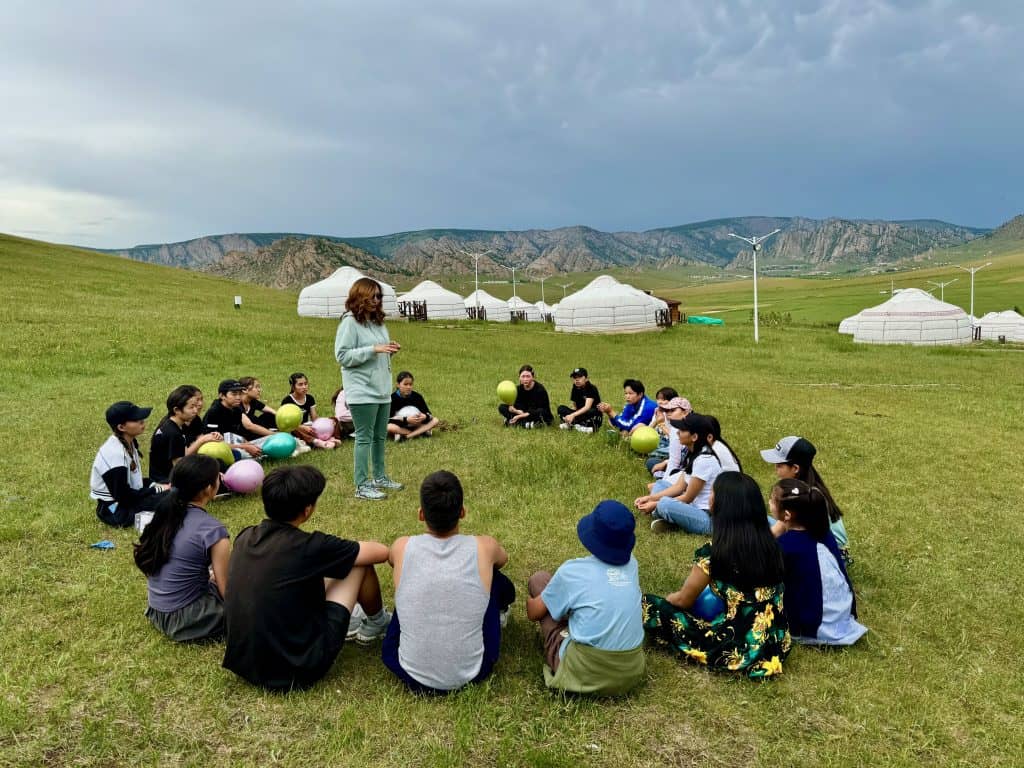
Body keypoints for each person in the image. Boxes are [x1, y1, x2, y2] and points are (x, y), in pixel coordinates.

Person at [222, 465, 392, 691]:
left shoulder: (245, 536)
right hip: (296, 668)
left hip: (245, 663)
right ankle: (377, 622)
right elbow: (380, 552)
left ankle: (354, 620)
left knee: (324, 569)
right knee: (358, 565)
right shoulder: (310, 546)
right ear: (307, 509)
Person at [642, 472, 791, 679]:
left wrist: (667, 601)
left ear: (721, 505)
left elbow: (684, 600)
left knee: (647, 604)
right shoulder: (773, 544)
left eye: (712, 494)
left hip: (736, 650)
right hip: (775, 644)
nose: (709, 498)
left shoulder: (715, 553)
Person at [382, 470, 516, 694]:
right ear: (462, 512)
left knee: (411, 588)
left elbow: (392, 563)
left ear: (421, 514)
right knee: (495, 579)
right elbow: (503, 560)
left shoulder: (401, 546)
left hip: (407, 670)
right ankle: (498, 615)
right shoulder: (485, 546)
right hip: (476, 671)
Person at [526, 500, 646, 696]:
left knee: (539, 580)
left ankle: (564, 650)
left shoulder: (572, 571)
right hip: (631, 670)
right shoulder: (632, 564)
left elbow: (533, 613)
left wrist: (532, 600)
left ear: (592, 535)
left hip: (584, 671)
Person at [133, 455, 230, 642]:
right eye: (218, 476)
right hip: (187, 619)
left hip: (157, 612)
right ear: (208, 488)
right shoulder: (213, 531)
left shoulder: (165, 515)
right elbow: (227, 593)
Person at [769, 479, 867, 646]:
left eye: (772, 500)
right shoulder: (825, 534)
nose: (769, 503)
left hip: (812, 629)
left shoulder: (785, 546)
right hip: (842, 617)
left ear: (787, 515)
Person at [335, 277, 403, 500]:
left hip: (382, 388)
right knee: (364, 437)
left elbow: (378, 353)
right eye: (372, 296)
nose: (376, 300)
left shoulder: (378, 322)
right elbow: (342, 356)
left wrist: (389, 350)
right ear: (360, 296)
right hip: (362, 389)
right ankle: (362, 485)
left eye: (379, 296)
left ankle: (380, 477)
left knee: (380, 436)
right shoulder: (349, 323)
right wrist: (373, 349)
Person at [760, 436, 850, 564]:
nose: (775, 469)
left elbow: (775, 532)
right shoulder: (808, 486)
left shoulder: (801, 497)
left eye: (779, 465)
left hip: (830, 553)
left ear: (795, 468)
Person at [634, 413, 723, 535]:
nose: (677, 432)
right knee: (661, 484)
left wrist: (655, 504)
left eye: (682, 430)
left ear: (694, 437)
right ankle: (673, 518)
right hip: (693, 507)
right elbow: (679, 487)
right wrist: (650, 498)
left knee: (664, 504)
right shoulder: (694, 454)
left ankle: (670, 517)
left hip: (707, 518)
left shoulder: (704, 460)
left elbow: (688, 498)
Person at [91, 401, 166, 527]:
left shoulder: (128, 443)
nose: (142, 421)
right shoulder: (115, 455)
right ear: (121, 427)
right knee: (170, 499)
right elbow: (124, 496)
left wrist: (155, 485)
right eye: (136, 419)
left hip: (126, 500)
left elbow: (133, 483)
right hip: (115, 510)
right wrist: (156, 490)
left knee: (171, 486)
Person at [150, 385, 224, 484]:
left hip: (170, 475)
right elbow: (180, 468)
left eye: (196, 406)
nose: (195, 410)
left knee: (217, 464)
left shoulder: (174, 425)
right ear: (176, 410)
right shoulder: (173, 433)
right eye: (191, 407)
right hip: (167, 480)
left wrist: (210, 438)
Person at [202, 380, 263, 459]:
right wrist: (245, 447)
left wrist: (249, 445)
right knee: (240, 454)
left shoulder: (237, 410)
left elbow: (237, 435)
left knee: (266, 442)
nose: (238, 397)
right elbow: (212, 442)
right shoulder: (214, 412)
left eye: (240, 394)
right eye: (234, 394)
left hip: (236, 444)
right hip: (219, 447)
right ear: (222, 396)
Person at [388, 371, 440, 442]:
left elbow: (429, 415)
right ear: (398, 384)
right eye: (405, 384)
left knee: (435, 420)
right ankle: (421, 432)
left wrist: (425, 416)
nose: (408, 387)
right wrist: (406, 420)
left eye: (410, 384)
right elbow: (388, 419)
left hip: (416, 425)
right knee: (388, 427)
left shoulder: (417, 397)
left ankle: (406, 436)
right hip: (400, 426)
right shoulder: (392, 398)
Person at [647, 396, 691, 478]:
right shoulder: (675, 426)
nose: (668, 413)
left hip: (691, 466)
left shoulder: (690, 428)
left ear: (685, 412)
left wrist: (665, 481)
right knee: (651, 462)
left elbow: (676, 459)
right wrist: (658, 421)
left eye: (673, 410)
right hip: (681, 460)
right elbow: (647, 431)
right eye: (667, 410)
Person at [556, 367, 603, 433]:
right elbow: (575, 406)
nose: (577, 380)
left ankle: (574, 425)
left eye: (580, 377)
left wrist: (572, 415)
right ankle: (577, 425)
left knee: (591, 411)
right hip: (580, 414)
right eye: (575, 377)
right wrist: (569, 415)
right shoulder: (575, 387)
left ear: (586, 378)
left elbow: (587, 407)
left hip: (592, 415)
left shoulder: (591, 388)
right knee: (561, 409)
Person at [646, 386, 680, 469]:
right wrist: (656, 421)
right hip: (659, 440)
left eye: (664, 399)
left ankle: (662, 458)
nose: (660, 402)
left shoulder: (676, 415)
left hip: (671, 443)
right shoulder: (658, 412)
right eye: (658, 399)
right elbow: (647, 431)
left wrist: (662, 424)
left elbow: (676, 439)